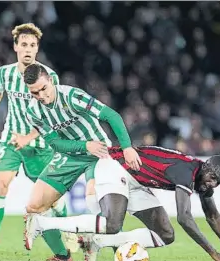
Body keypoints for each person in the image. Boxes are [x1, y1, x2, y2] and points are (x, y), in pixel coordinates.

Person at [24, 146, 220, 261]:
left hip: (137, 181)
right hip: (116, 166)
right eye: (211, 178)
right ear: (206, 168)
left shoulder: (203, 181)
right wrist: (212, 253)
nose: (211, 185)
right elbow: (184, 217)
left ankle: (96, 243)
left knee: (165, 234)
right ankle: (41, 223)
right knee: (112, 223)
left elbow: (213, 217)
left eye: (217, 183)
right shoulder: (187, 171)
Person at [0, 23, 74, 261]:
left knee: (54, 199)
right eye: (24, 45)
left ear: (37, 49)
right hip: (11, 139)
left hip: (40, 145)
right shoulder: (5, 73)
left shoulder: (49, 76)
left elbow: (54, 113)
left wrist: (30, 136)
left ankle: (69, 232)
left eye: (32, 45)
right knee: (1, 183)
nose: (28, 49)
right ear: (15, 47)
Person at [9, 63, 141, 232]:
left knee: (94, 201)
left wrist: (127, 147)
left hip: (99, 152)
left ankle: (118, 249)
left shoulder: (73, 96)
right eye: (35, 92)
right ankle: (63, 256)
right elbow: (56, 144)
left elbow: (111, 115)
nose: (41, 95)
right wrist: (85, 146)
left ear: (50, 80)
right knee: (33, 207)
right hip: (71, 154)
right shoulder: (33, 113)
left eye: (44, 88)